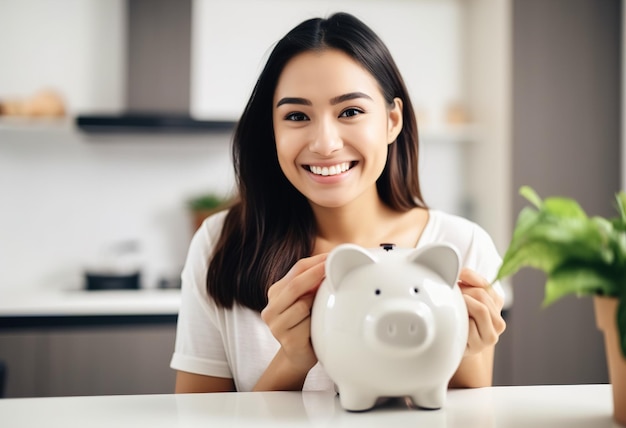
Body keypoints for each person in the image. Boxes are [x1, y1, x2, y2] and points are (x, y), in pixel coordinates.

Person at [171, 12, 506, 394]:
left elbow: (464, 415)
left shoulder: (461, 246)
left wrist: (467, 350)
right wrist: (293, 360)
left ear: (392, 120)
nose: (325, 143)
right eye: (297, 116)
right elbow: (198, 418)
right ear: (272, 130)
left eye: (350, 111)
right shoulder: (221, 244)